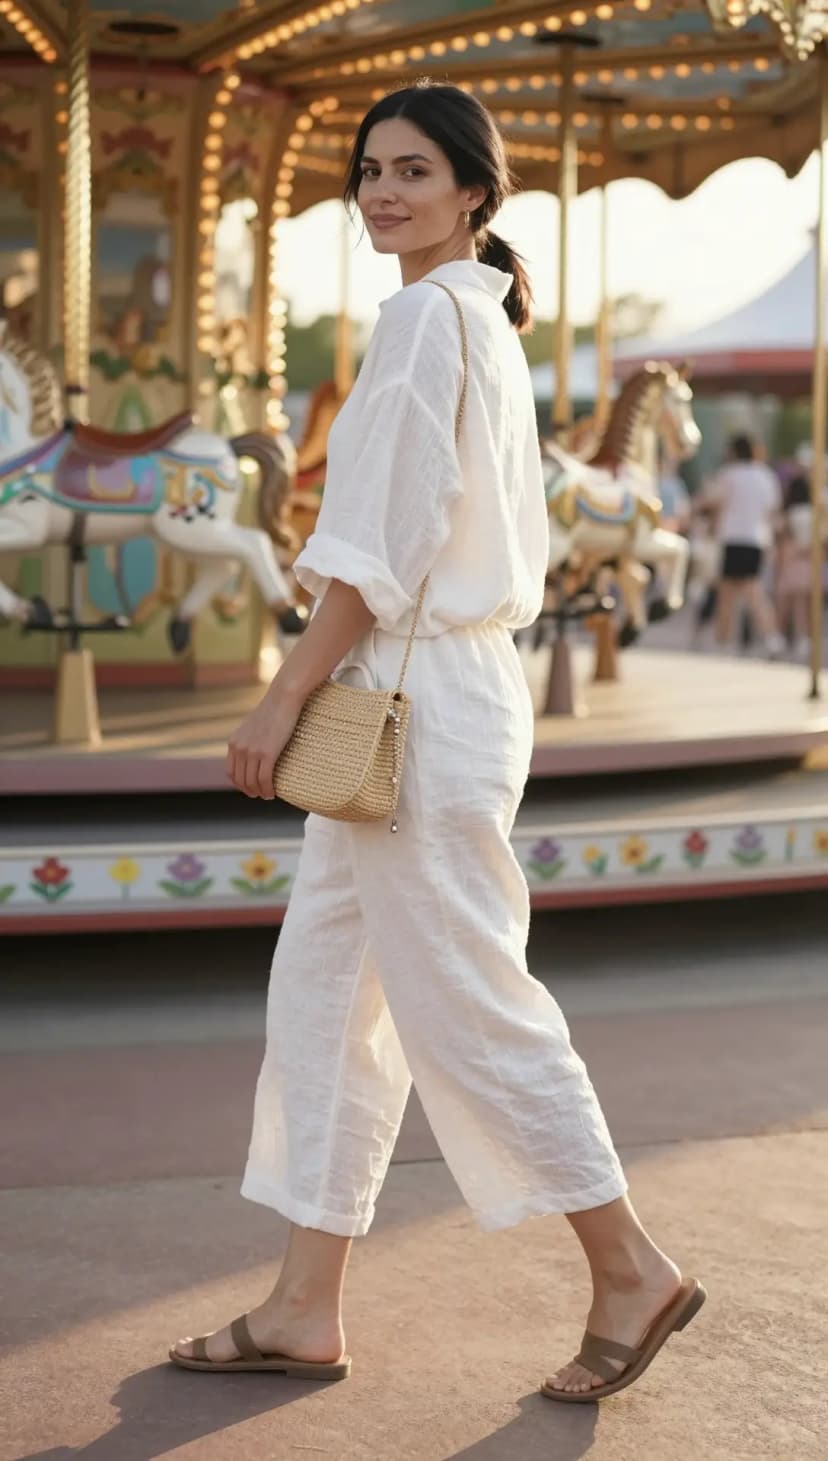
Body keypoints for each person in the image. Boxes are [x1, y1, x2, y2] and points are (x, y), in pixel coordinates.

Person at [169, 81, 704, 1402]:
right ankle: (305, 1302)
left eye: (415, 170)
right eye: (370, 170)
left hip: (407, 700)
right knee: (327, 1005)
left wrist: (283, 692)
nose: (385, 192)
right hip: (438, 697)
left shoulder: (425, 318)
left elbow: (382, 542)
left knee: (465, 1001)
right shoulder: (472, 320)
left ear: (475, 192)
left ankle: (629, 1261)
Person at [706, 433, 785, 656]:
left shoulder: (729, 474)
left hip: (734, 538)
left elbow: (714, 502)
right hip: (756, 539)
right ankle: (771, 639)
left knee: (730, 595)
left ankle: (723, 643)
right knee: (752, 592)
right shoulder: (765, 476)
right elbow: (772, 510)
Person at [775, 474, 815, 658]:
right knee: (803, 606)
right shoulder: (814, 513)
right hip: (808, 562)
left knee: (785, 605)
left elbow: (782, 538)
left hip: (790, 562)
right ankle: (803, 640)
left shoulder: (790, 514)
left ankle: (778, 639)